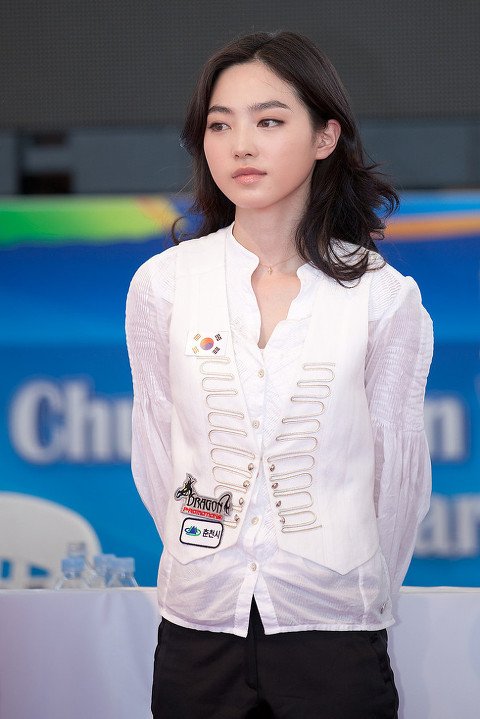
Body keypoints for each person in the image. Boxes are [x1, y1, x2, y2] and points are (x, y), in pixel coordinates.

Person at [126, 30, 433, 719]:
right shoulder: (164, 285)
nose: (241, 146)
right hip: (199, 624)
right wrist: (206, 551)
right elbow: (156, 446)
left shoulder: (384, 297)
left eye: (268, 122)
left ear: (325, 136)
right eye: (220, 125)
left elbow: (397, 475)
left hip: (335, 626)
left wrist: (353, 587)